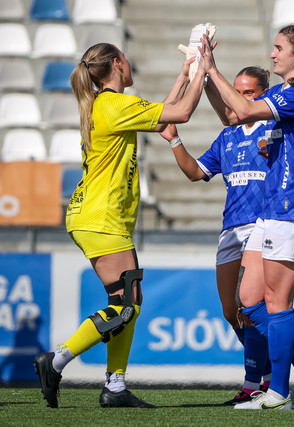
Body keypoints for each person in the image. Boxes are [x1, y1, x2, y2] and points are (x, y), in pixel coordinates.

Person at [33, 41, 210, 408]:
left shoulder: (108, 105)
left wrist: (184, 76)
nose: (130, 67)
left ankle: (115, 385)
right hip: (102, 217)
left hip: (95, 215)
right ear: (117, 63)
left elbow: (162, 119)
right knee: (127, 305)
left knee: (127, 301)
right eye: (127, 61)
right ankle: (58, 360)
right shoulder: (114, 104)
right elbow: (182, 113)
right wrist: (204, 70)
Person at [198, 24, 294, 410]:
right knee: (249, 300)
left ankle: (278, 391)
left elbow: (242, 108)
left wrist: (214, 69)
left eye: (278, 48)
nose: (272, 54)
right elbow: (233, 115)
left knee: (276, 300)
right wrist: (206, 74)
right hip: (272, 210)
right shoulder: (280, 93)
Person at [158, 66, 273, 405]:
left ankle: (254, 384)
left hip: (263, 225)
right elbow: (195, 172)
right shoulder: (228, 137)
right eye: (237, 91)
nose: (241, 97)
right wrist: (174, 139)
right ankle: (268, 372)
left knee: (250, 306)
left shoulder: (274, 128)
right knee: (230, 311)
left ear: (264, 94)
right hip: (231, 228)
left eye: (249, 92)